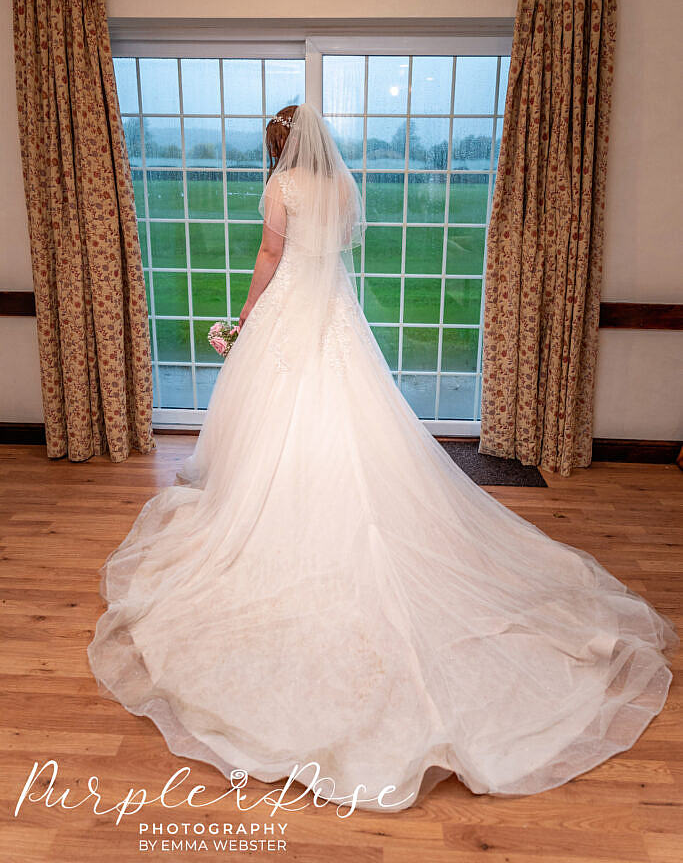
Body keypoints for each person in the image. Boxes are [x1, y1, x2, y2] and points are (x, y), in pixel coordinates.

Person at [87, 102, 678, 812]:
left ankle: (285, 514)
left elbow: (272, 257)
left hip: (291, 314)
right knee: (355, 416)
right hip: (334, 313)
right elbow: (336, 250)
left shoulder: (281, 188)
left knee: (281, 419)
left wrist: (243, 321)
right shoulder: (338, 187)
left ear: (277, 149)